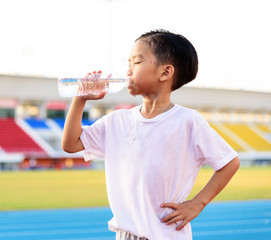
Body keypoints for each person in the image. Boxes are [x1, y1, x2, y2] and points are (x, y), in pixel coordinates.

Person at [62, 29, 240, 240]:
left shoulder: (188, 121)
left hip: (166, 234)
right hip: (126, 234)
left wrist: (197, 204)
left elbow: (229, 162)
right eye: (128, 63)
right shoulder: (116, 121)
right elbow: (71, 144)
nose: (128, 70)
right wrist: (80, 99)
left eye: (136, 62)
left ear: (165, 73)